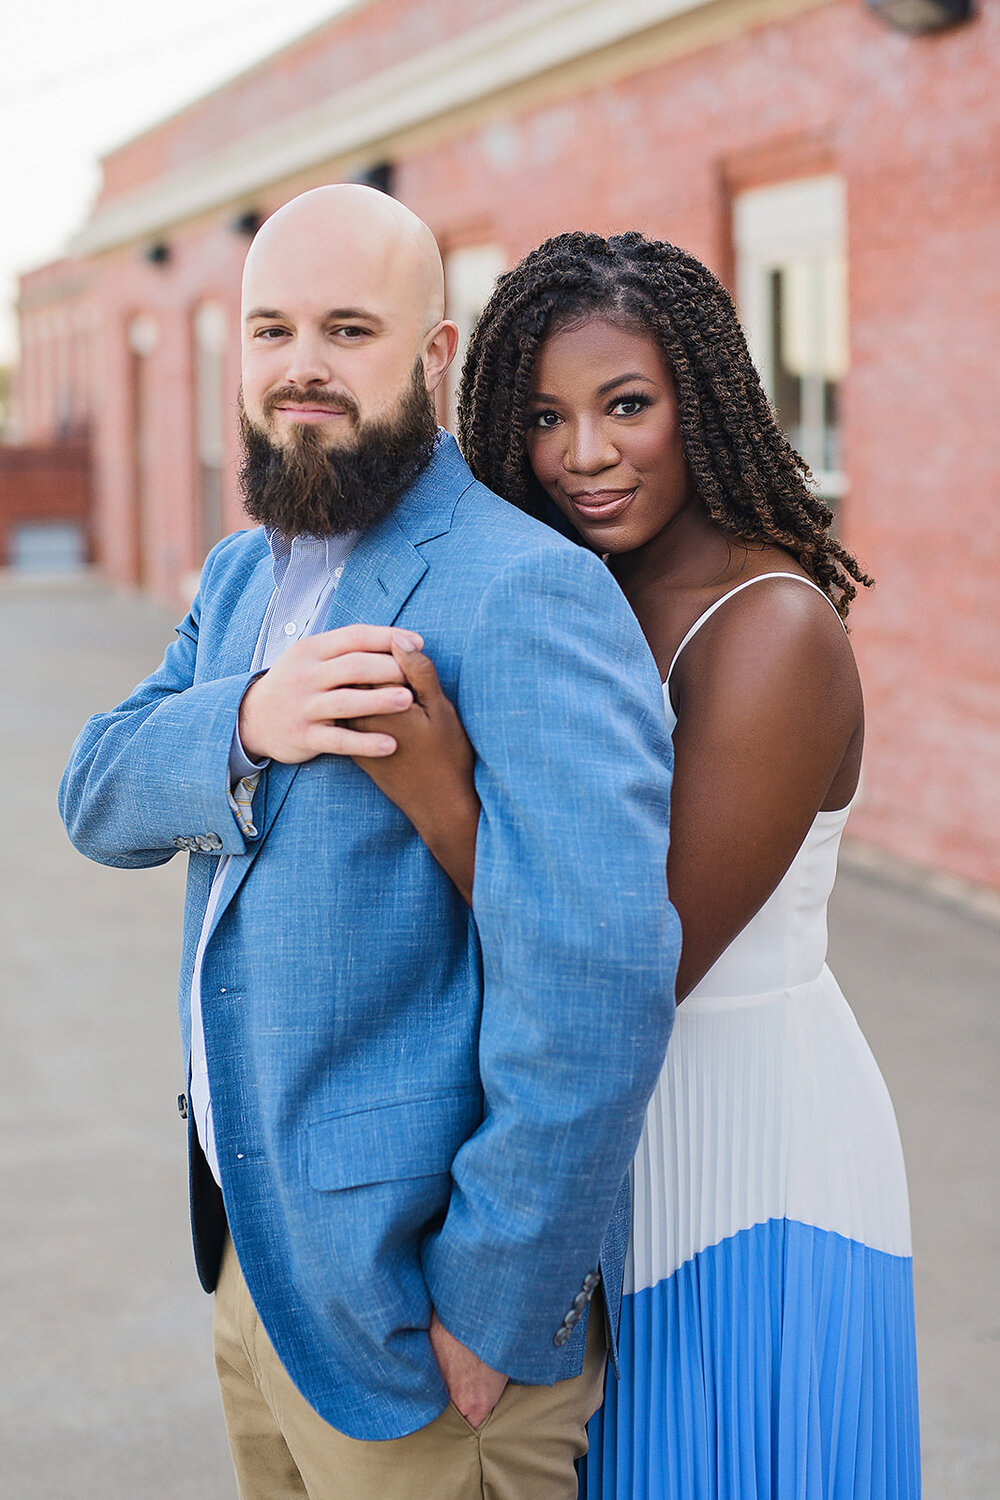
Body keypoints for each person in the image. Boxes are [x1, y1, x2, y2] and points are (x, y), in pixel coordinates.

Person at [58, 192, 682, 1500]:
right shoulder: (241, 579)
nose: (302, 365)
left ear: (436, 356)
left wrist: (496, 1307)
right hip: (256, 1280)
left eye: (349, 329)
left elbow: (597, 980)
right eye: (272, 327)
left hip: (424, 1338)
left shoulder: (523, 588)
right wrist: (245, 721)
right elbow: (97, 795)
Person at [346, 231, 921, 1499]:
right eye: (544, 417)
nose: (584, 455)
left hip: (744, 1156)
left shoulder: (770, 632)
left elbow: (630, 959)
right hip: (599, 1140)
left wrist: (440, 793)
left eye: (626, 406)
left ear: (701, 404)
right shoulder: (578, 594)